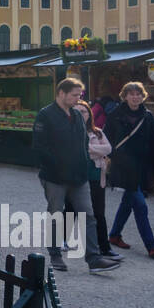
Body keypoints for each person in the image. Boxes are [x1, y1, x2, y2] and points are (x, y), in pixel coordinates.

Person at [31, 79, 120, 273]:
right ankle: (55, 255)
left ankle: (94, 258)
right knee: (56, 214)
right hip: (55, 176)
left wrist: (82, 168)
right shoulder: (45, 115)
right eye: (74, 95)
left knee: (88, 215)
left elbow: (82, 146)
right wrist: (56, 166)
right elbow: (39, 147)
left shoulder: (77, 116)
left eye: (80, 95)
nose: (79, 98)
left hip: (79, 176)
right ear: (61, 93)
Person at [104, 81, 154, 258]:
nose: (135, 97)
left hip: (141, 167)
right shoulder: (115, 115)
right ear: (124, 96)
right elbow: (106, 139)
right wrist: (108, 158)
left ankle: (114, 235)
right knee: (140, 206)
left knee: (128, 203)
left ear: (143, 97)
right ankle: (152, 246)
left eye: (138, 94)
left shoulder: (147, 116)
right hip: (123, 166)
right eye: (131, 94)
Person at [77, 100, 121, 260]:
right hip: (75, 177)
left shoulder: (98, 133)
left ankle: (104, 247)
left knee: (98, 213)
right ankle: (61, 241)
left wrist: (88, 149)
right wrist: (96, 150)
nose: (82, 114)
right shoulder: (67, 131)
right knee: (71, 210)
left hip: (96, 176)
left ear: (90, 114)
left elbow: (108, 149)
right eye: (78, 111)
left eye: (84, 111)